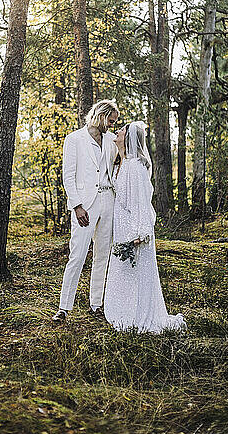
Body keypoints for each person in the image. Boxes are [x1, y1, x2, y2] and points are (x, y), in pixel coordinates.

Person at [104, 121, 186, 333]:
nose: (117, 131)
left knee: (136, 271)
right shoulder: (119, 163)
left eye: (121, 129)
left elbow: (141, 202)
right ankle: (123, 313)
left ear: (129, 137)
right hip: (121, 225)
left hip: (134, 228)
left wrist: (140, 233)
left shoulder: (135, 166)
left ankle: (137, 315)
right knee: (123, 270)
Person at [52, 100, 119, 322]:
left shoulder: (111, 140)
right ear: (101, 116)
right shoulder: (74, 139)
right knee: (78, 255)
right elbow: (68, 176)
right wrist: (77, 206)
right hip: (85, 205)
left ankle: (96, 305)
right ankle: (63, 308)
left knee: (102, 255)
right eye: (110, 121)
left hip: (108, 201)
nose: (112, 126)